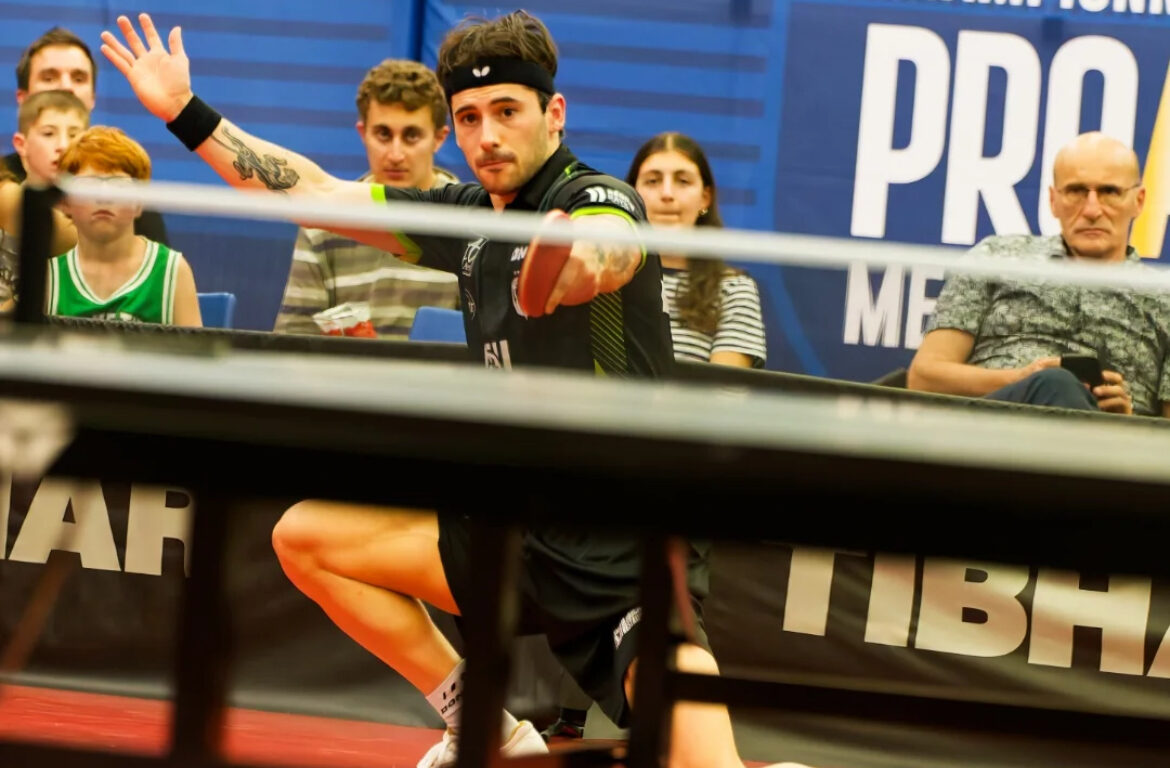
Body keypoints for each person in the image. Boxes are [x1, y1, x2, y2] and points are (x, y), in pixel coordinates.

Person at [102, 10, 788, 768]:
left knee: (705, 763)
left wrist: (571, 266)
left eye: (507, 111)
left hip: (619, 534)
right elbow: (314, 191)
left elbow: (611, 248)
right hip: (516, 524)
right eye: (469, 117)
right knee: (306, 538)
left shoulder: (598, 195)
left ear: (554, 113)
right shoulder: (465, 220)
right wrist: (184, 112)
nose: (487, 135)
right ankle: (485, 723)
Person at [908, 132, 1170, 417]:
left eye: (1109, 192)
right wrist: (1023, 377)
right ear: (1053, 200)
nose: (1092, 210)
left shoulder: (1162, 295)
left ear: (1138, 201)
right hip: (987, 426)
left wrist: (1128, 422)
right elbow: (924, 377)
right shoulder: (998, 256)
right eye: (1076, 191)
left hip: (1109, 437)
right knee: (1056, 383)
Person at [273, 59, 460, 338]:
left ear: (439, 138)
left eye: (411, 136)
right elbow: (292, 341)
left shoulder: (470, 222)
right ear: (363, 133)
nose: (395, 154)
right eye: (383, 134)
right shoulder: (324, 222)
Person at [6, 26, 169, 244]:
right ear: (22, 97)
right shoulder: (4, 182)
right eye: (49, 77)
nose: (66, 87)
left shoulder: (126, 195)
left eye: (78, 78)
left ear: (92, 98)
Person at [628, 132, 767, 369]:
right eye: (652, 181)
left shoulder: (733, 289)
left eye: (683, 181)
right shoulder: (604, 279)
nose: (667, 194)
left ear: (705, 198)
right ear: (632, 195)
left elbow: (724, 389)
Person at [48, 126, 201, 326]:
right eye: (88, 186)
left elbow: (193, 347)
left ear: (138, 203)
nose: (104, 197)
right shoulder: (49, 279)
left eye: (118, 187)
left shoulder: (173, 271)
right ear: (65, 202)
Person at [0, 90, 86, 313]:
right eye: (48, 134)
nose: (63, 145)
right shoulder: (6, 198)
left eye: (74, 135)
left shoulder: (95, 223)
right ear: (21, 144)